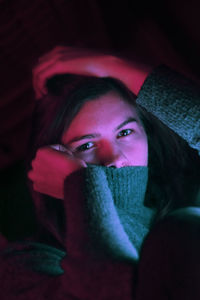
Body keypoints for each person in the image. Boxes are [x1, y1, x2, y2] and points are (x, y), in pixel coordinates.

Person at [0, 46, 200, 300]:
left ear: (147, 134)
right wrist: (80, 184)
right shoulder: (27, 264)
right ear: (51, 161)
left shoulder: (185, 194)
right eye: (86, 145)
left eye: (125, 133)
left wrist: (112, 65)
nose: (115, 158)